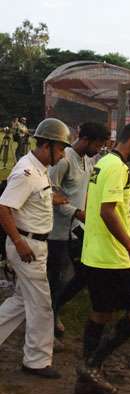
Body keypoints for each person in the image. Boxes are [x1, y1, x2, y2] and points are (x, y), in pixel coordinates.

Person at [75, 122, 130, 394]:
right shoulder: (118, 167)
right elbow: (108, 211)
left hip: (93, 253)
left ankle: (86, 380)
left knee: (101, 313)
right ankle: (93, 365)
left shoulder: (103, 162)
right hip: (113, 257)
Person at [0, 118, 71, 379]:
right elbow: (4, 208)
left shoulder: (39, 169)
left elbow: (33, 197)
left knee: (20, 301)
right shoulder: (26, 172)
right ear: (47, 145)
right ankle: (37, 361)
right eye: (61, 148)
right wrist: (19, 242)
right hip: (27, 245)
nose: (63, 154)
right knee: (42, 305)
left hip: (32, 244)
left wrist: (53, 198)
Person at [48, 122, 110, 338]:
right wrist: (75, 211)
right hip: (57, 232)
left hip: (78, 229)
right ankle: (48, 324)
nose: (100, 149)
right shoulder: (63, 160)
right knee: (57, 279)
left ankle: (54, 310)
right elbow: (49, 193)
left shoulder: (88, 161)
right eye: (98, 144)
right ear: (86, 140)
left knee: (82, 274)